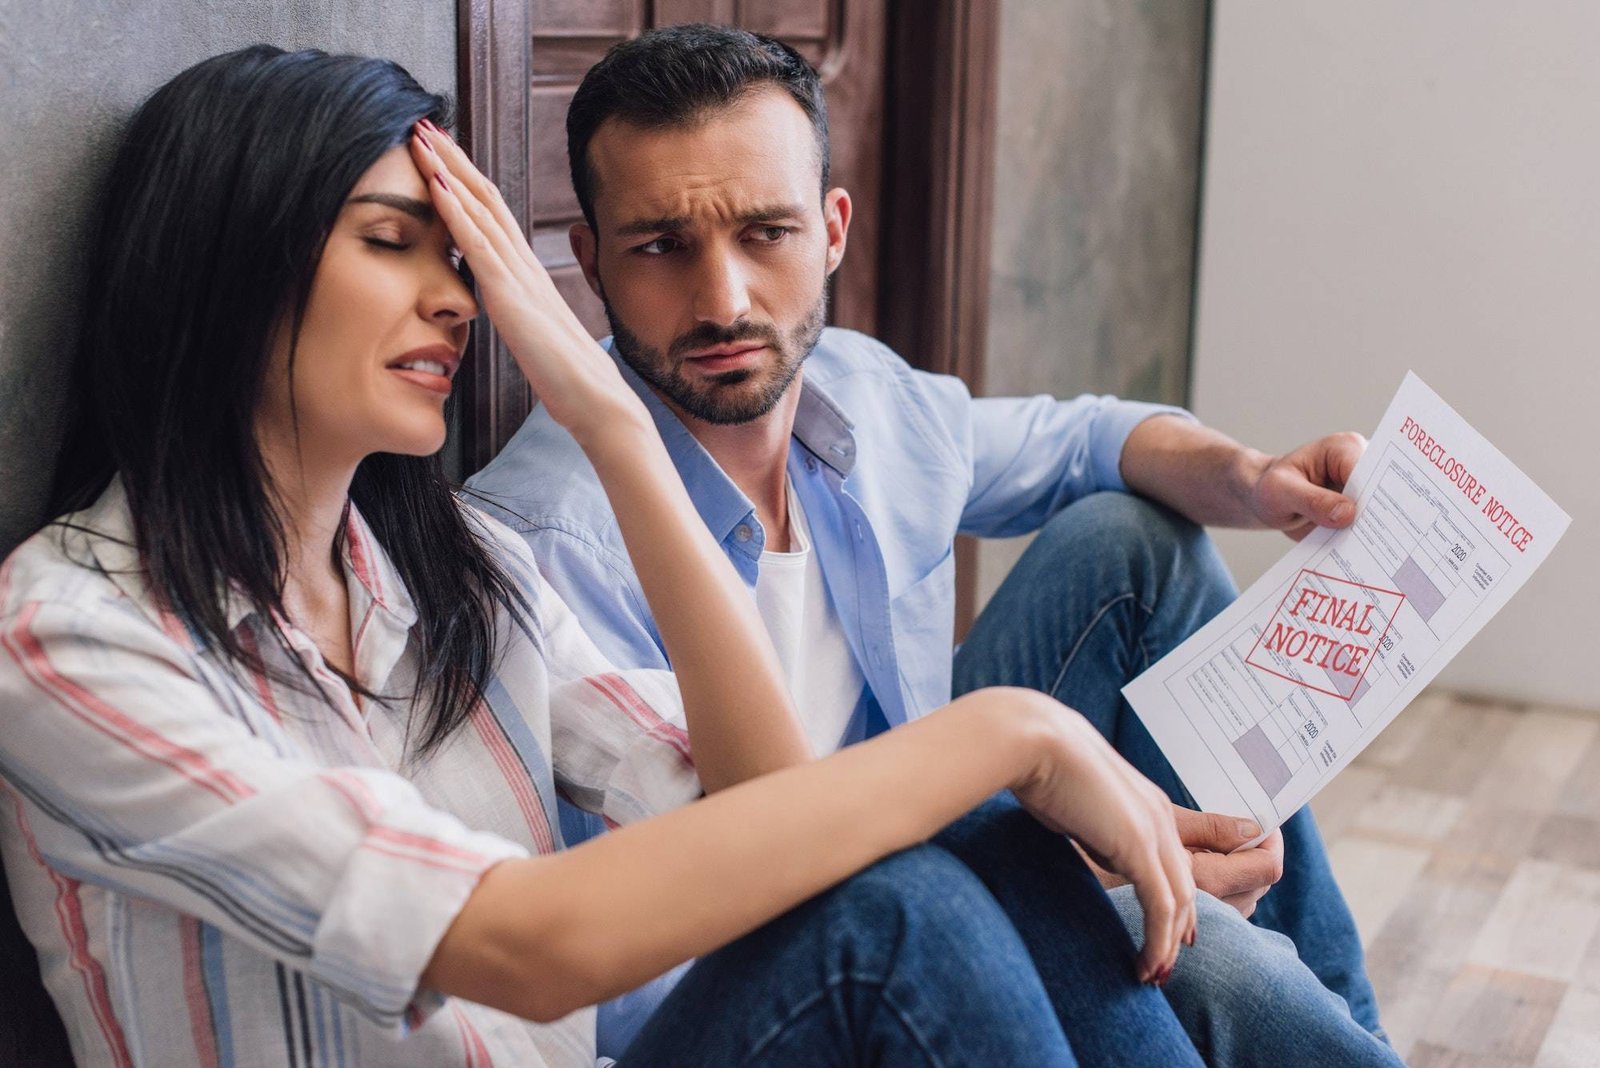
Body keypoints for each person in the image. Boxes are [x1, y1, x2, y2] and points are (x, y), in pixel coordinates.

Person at [0, 45, 1400, 1068]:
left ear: (825, 233)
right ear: (234, 263)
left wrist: (618, 420)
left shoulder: (446, 579)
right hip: (646, 999)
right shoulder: (65, 637)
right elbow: (526, 942)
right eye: (392, 244)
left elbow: (772, 804)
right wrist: (1018, 737)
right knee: (918, 907)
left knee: (992, 842)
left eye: (468, 263)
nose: (460, 304)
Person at [465, 20, 1386, 1052]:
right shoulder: (550, 542)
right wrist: (1077, 870)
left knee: (1133, 545)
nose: (721, 300)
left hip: (932, 843)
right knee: (1216, 962)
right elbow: (720, 901)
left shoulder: (861, 393)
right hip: (785, 973)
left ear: (832, 230)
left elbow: (1081, 438)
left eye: (765, 233)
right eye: (660, 247)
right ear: (589, 261)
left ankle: (1356, 1027)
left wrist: (1252, 480)